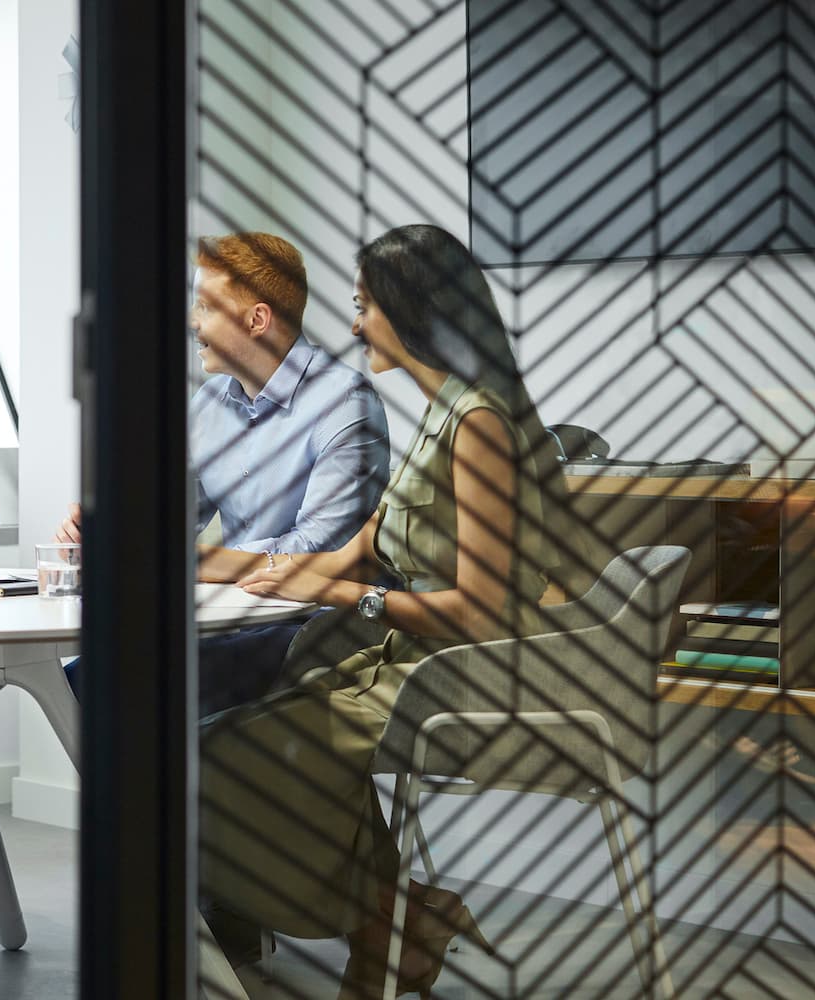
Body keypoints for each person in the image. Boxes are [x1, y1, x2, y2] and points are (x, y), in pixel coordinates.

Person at [198, 224, 574, 996]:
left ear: (410, 311)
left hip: (462, 671)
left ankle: (386, 927)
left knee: (227, 753)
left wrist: (338, 594)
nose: (355, 322)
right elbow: (349, 551)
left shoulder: (479, 428)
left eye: (366, 304)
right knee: (233, 738)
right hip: (399, 657)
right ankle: (399, 923)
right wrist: (301, 577)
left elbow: (480, 610)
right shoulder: (441, 417)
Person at [60, 232, 391, 715]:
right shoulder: (210, 402)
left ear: (257, 319)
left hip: (313, 628)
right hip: (228, 619)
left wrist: (189, 562)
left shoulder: (346, 404)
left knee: (104, 681)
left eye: (205, 308)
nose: (192, 323)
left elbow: (322, 547)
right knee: (80, 679)